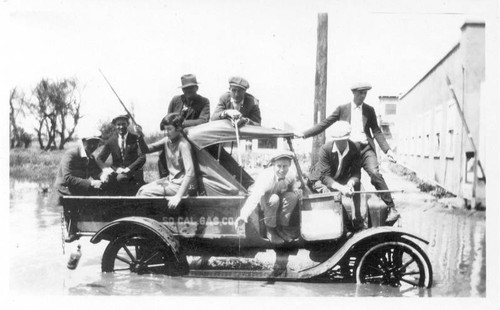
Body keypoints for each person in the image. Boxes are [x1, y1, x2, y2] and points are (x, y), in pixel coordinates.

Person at [298, 82, 400, 223]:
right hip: (348, 150)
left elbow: (376, 130)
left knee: (375, 174)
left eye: (365, 93)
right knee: (338, 179)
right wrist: (303, 134)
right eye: (360, 93)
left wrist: (388, 150)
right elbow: (325, 123)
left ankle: (391, 208)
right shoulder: (342, 109)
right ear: (354, 93)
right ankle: (347, 220)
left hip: (365, 149)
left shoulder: (369, 110)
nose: (363, 96)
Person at [235, 151, 301, 244]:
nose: (282, 170)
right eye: (279, 166)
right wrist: (243, 216)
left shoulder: (291, 173)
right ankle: (270, 230)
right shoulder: (265, 177)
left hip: (277, 194)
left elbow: (293, 182)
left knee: (292, 197)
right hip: (262, 197)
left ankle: (282, 228)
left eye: (285, 166)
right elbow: (254, 198)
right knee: (274, 199)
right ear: (273, 165)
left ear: (289, 165)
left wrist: (295, 188)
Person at [308, 121, 364, 230]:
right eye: (337, 141)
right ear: (333, 139)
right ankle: (341, 227)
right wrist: (341, 188)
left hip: (339, 179)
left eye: (343, 140)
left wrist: (350, 183)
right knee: (329, 196)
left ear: (347, 138)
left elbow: (356, 173)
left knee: (360, 189)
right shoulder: (325, 149)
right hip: (319, 178)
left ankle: (358, 220)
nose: (340, 143)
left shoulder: (355, 148)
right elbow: (325, 177)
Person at [134, 113, 195, 209]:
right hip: (171, 181)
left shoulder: (184, 145)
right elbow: (146, 150)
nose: (166, 132)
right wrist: (140, 136)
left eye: (169, 129)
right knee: (141, 189)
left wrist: (179, 196)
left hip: (181, 186)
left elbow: (190, 172)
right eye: (165, 129)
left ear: (178, 128)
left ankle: (150, 220)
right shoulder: (167, 140)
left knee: (145, 193)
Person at [159, 74, 210, 178]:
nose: (188, 91)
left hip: (192, 140)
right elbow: (168, 119)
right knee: (162, 156)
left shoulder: (204, 102)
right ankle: (165, 180)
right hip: (173, 138)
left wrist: (180, 123)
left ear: (197, 88)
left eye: (191, 88)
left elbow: (203, 121)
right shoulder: (175, 100)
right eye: (185, 89)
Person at [96, 114, 146, 195]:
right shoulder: (111, 141)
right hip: (116, 171)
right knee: (105, 180)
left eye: (123, 124)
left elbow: (142, 157)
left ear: (128, 124)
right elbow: (99, 159)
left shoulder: (136, 138)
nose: (121, 127)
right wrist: (106, 170)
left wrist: (128, 169)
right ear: (115, 126)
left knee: (121, 179)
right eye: (118, 125)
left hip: (133, 172)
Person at [54, 131, 104, 202]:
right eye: (90, 142)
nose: (93, 146)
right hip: (63, 192)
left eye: (96, 143)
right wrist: (91, 183)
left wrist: (105, 176)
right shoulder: (71, 154)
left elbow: (97, 173)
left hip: (77, 191)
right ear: (83, 141)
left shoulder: (91, 157)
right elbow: (68, 178)